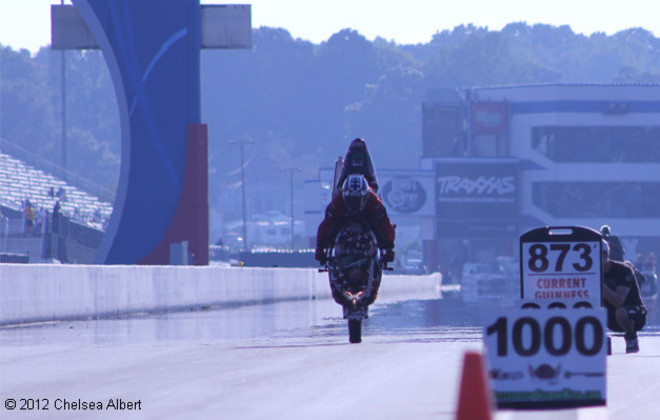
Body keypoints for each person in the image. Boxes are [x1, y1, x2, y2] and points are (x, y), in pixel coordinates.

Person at [315, 174, 395, 265]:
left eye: (358, 200)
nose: (355, 205)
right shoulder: (337, 203)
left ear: (366, 196)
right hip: (342, 234)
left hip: (369, 233)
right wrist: (320, 248)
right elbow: (326, 225)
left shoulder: (374, 203)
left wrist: (389, 248)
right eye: (351, 200)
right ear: (344, 196)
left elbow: (385, 225)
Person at [601, 240, 647, 353]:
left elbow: (618, 302)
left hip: (632, 312)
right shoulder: (589, 272)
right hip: (608, 315)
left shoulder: (624, 270)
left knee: (621, 312)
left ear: (605, 255)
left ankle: (631, 336)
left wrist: (599, 284)